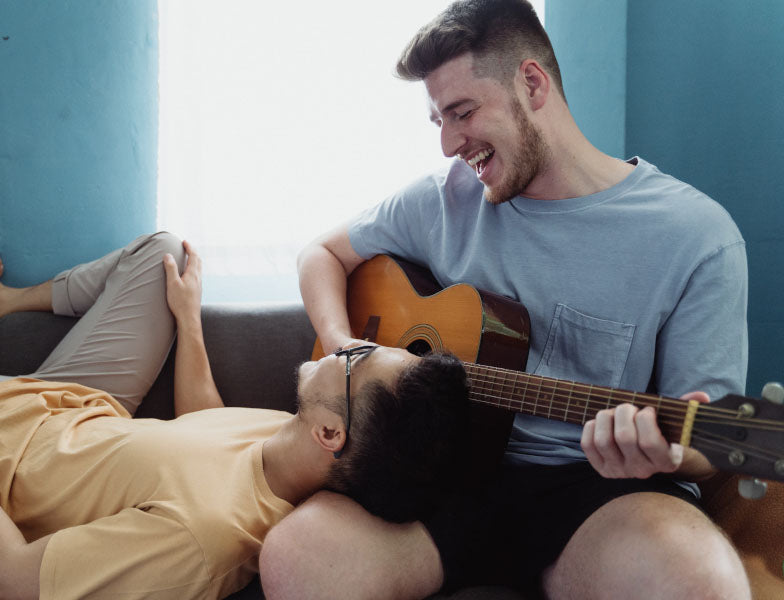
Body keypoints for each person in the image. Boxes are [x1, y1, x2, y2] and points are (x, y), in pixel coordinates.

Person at [261, 1, 751, 599]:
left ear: (532, 83)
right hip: (447, 480)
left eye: (461, 113)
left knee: (700, 584)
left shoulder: (696, 236)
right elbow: (322, 253)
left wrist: (667, 454)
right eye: (437, 120)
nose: (447, 145)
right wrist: (345, 350)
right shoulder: (440, 201)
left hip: (597, 495)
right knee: (296, 560)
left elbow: (710, 449)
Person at [0, 232, 470, 600]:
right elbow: (202, 424)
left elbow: (12, 581)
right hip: (74, 404)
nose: (347, 343)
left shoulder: (200, 544)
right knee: (163, 253)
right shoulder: (288, 445)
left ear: (332, 434)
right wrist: (188, 320)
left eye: (358, 360)